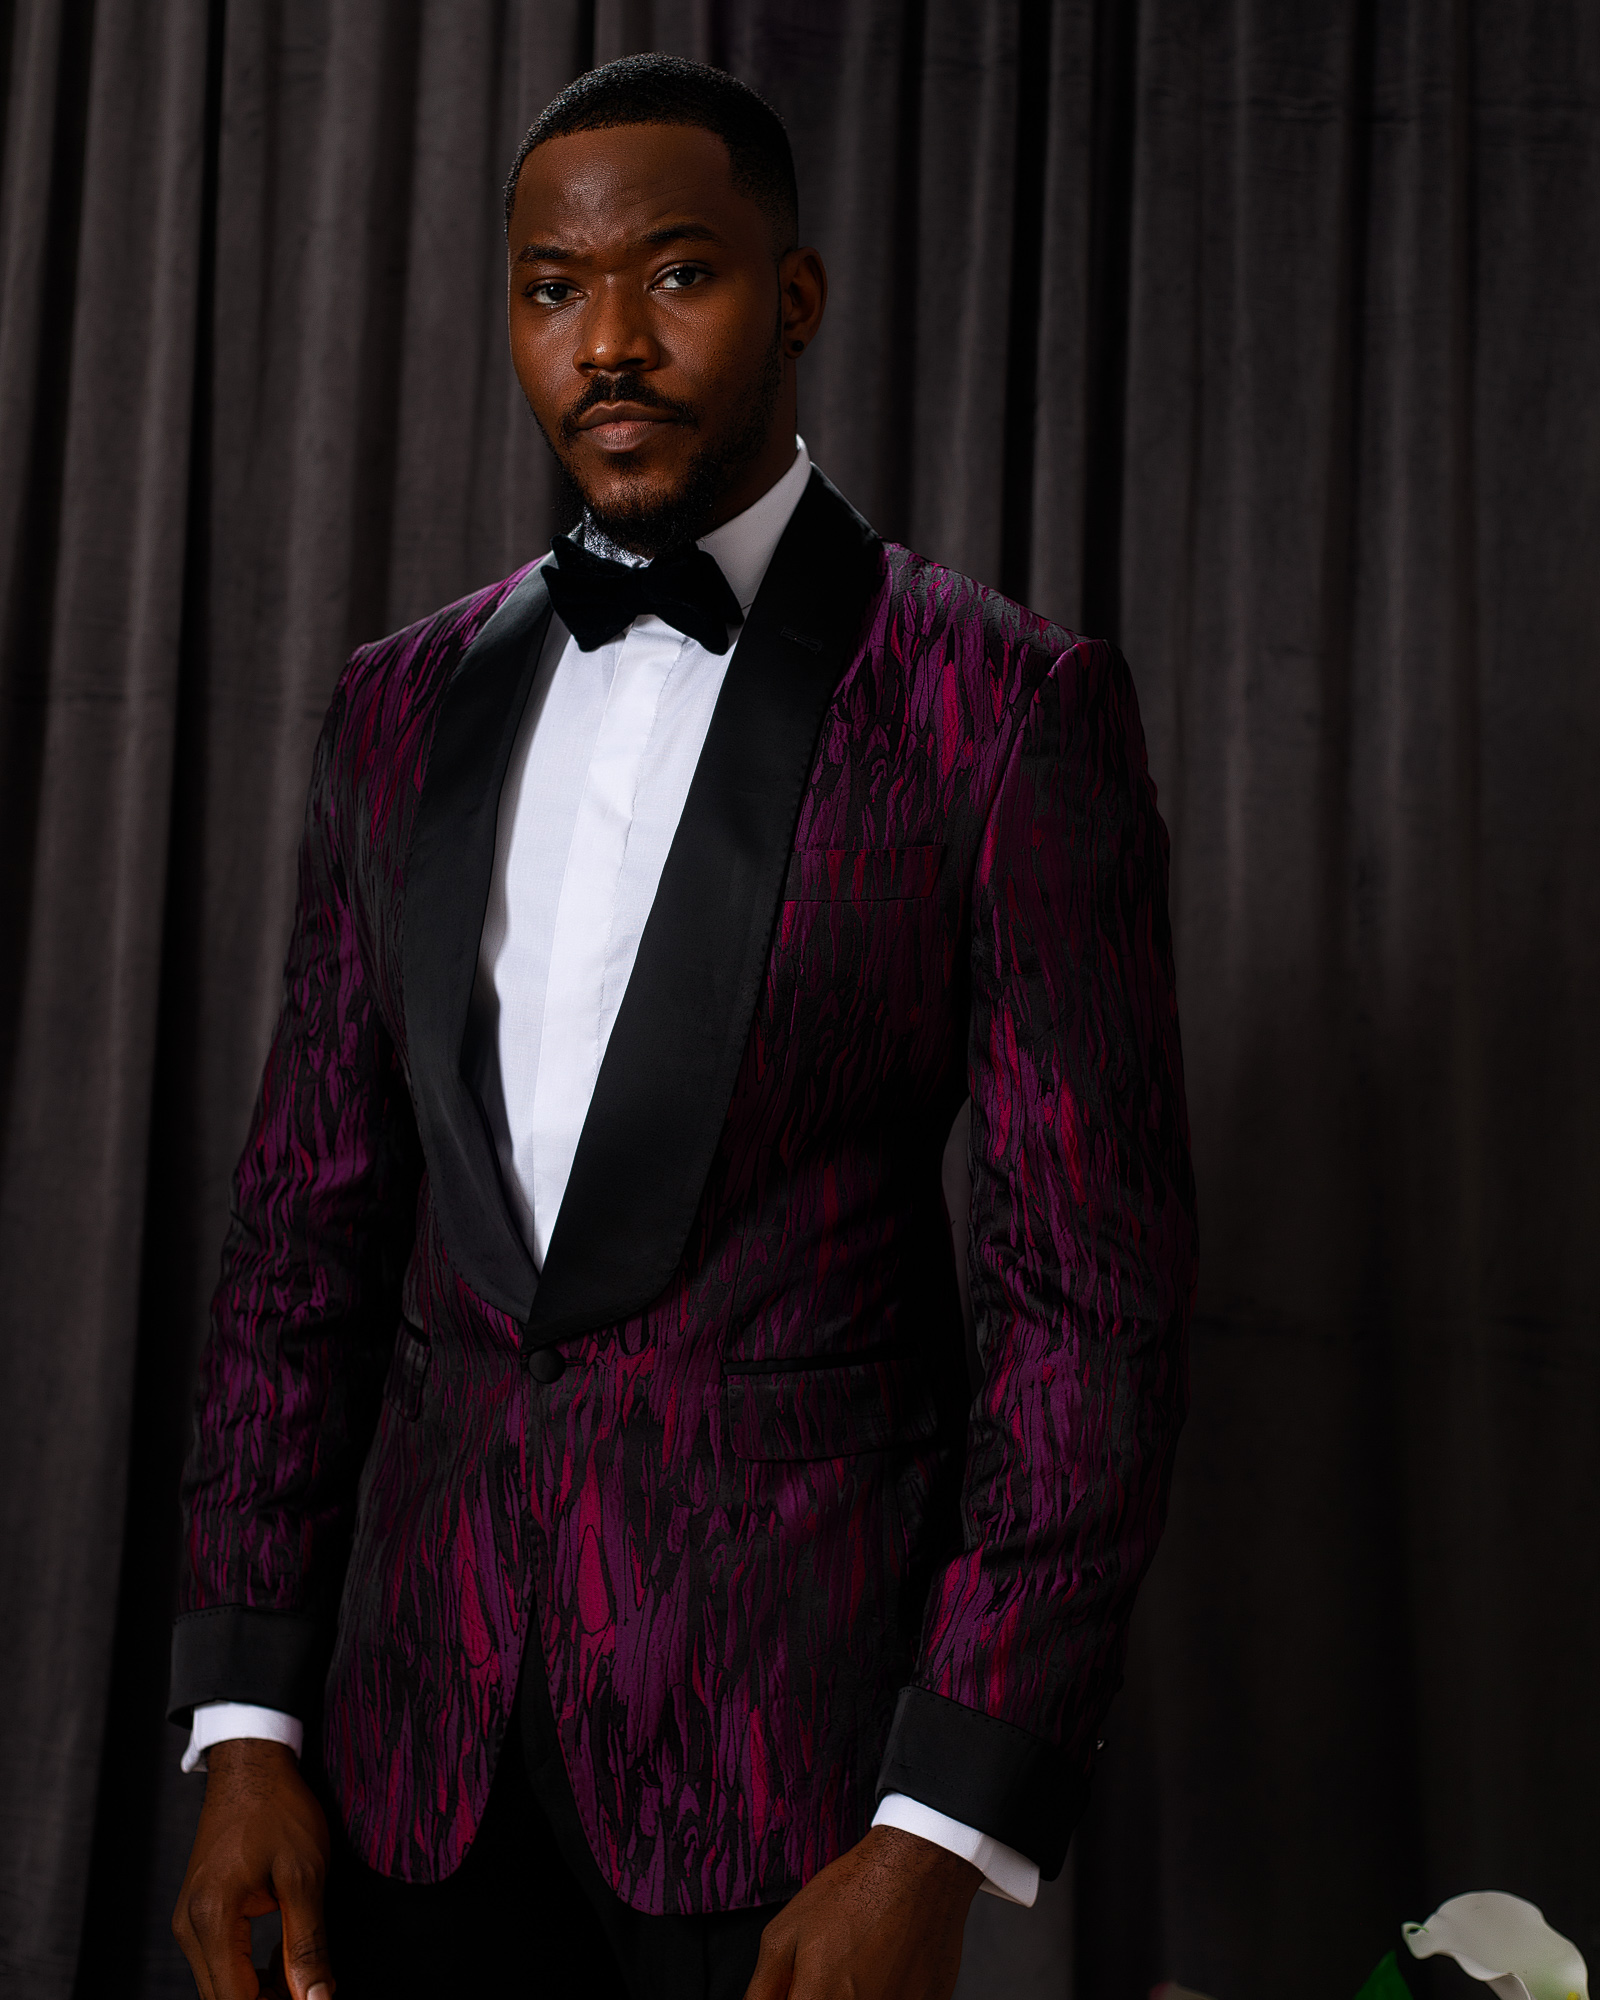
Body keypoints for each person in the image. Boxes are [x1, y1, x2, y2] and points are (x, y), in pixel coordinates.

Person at [169, 52, 1196, 2000]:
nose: (609, 343)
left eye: (677, 275)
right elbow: (301, 1243)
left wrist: (937, 1828)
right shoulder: (395, 703)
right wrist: (245, 1723)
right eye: (552, 290)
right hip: (408, 1764)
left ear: (792, 298)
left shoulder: (1001, 707)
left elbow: (1092, 1310)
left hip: (790, 1784)